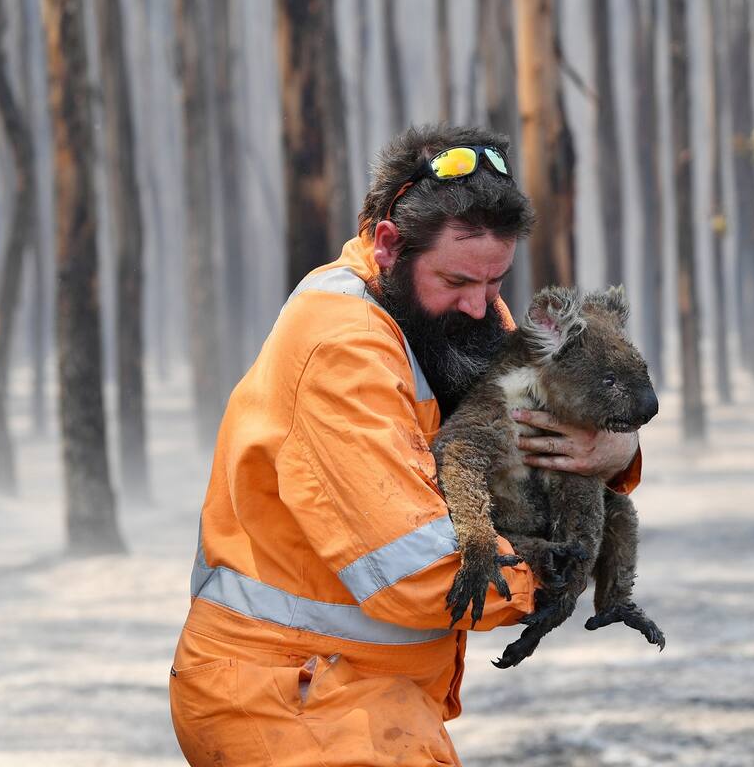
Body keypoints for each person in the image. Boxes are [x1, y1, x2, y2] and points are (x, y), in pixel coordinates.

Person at [168, 124, 644, 766]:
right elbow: (418, 572)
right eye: (458, 282)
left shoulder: (452, 317)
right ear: (390, 246)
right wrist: (554, 574)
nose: (483, 307)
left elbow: (549, 427)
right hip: (290, 699)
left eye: (496, 282)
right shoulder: (343, 349)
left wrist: (617, 455)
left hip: (364, 692)